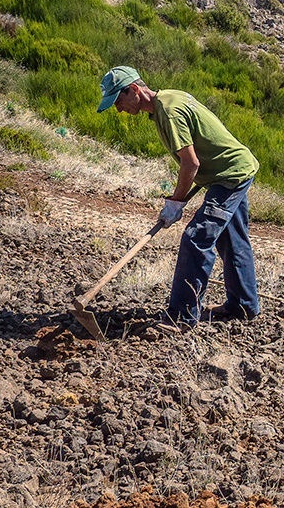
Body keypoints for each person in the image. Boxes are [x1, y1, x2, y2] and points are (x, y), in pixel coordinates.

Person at [97, 65, 261, 327]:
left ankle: (181, 317)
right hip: (233, 169)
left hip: (229, 176)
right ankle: (243, 306)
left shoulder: (169, 112)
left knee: (196, 238)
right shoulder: (168, 99)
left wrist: (175, 202)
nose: (118, 108)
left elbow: (190, 164)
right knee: (232, 240)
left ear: (134, 90)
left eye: (118, 100)